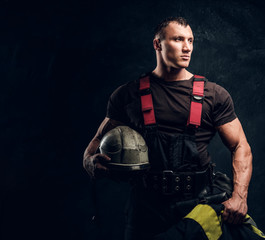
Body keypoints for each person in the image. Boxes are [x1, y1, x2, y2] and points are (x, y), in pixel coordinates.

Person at [83, 17, 253, 239]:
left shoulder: (214, 94)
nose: (187, 47)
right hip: (145, 209)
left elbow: (241, 145)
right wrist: (90, 162)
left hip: (197, 205)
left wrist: (240, 197)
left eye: (191, 40)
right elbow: (93, 146)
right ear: (157, 44)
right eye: (178, 39)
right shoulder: (127, 95)